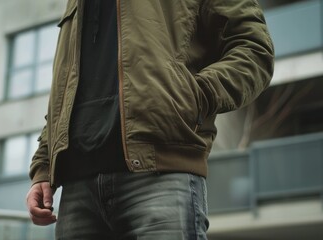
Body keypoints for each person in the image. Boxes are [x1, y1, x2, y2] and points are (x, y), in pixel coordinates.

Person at [26, 0, 274, 239]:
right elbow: (64, 89)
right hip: (77, 187)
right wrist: (44, 167)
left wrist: (193, 96)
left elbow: (254, 48)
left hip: (160, 172)